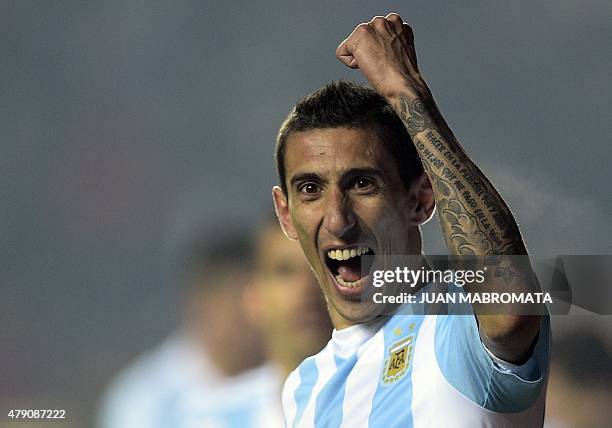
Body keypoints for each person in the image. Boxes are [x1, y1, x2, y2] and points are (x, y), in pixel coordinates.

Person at [272, 13, 551, 427]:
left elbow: (511, 310)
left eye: (362, 184)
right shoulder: (302, 392)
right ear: (286, 213)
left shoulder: (457, 317)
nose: (337, 218)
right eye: (310, 189)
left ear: (420, 199)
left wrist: (404, 92)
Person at [96, 231, 264, 428]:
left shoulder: (292, 381)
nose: (254, 310)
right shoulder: (146, 400)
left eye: (261, 296)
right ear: (202, 304)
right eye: (237, 297)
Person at [179, 217, 333, 427]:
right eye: (285, 271)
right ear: (254, 297)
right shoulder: (211, 421)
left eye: (323, 266)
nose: (306, 288)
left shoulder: (386, 406)